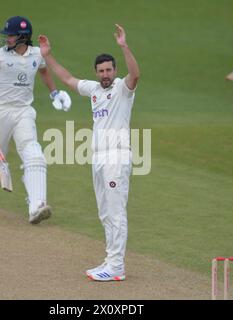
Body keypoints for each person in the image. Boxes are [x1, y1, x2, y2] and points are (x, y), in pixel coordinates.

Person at [38, 24, 140, 281]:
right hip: (98, 157)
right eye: (101, 71)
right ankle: (110, 260)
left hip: (117, 155)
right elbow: (68, 79)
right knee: (105, 212)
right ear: (96, 72)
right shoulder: (94, 90)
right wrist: (47, 55)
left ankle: (117, 266)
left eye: (109, 70)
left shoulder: (122, 89)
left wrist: (124, 46)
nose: (105, 74)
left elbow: (135, 75)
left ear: (114, 71)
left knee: (116, 211)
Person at [0, 16, 72, 224]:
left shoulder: (37, 55)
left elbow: (44, 72)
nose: (7, 39)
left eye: (11, 35)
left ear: (23, 37)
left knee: (34, 155)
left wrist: (54, 94)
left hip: (23, 111)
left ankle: (36, 206)